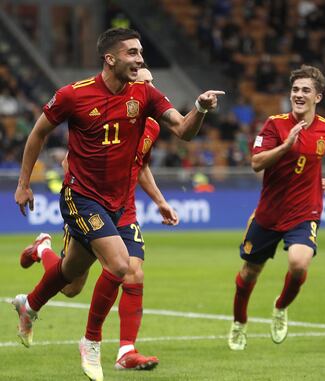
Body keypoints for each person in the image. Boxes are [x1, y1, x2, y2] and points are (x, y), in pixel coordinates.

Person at [13, 27, 224, 381]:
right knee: (121, 265)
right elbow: (38, 133)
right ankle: (92, 342)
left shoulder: (145, 95)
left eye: (141, 53)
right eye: (132, 53)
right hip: (82, 196)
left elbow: (184, 130)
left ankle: (31, 298)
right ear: (110, 59)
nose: (140, 60)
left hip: (120, 203)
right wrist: (23, 184)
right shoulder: (73, 95)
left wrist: (200, 109)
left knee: (70, 280)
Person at [19, 67, 177, 371]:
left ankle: (125, 352)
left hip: (124, 208)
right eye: (144, 84)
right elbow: (69, 159)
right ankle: (43, 251)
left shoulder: (152, 127)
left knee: (133, 272)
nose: (147, 91)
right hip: (89, 202)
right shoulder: (98, 107)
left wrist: (160, 201)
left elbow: (140, 165)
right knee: (72, 285)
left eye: (150, 85)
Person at [228, 65, 325, 351]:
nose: (299, 95)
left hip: (305, 212)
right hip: (269, 214)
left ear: (318, 97)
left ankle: (280, 308)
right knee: (248, 273)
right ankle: (239, 323)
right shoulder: (274, 124)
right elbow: (256, 163)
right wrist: (286, 145)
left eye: (305, 90)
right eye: (295, 90)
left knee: (299, 263)